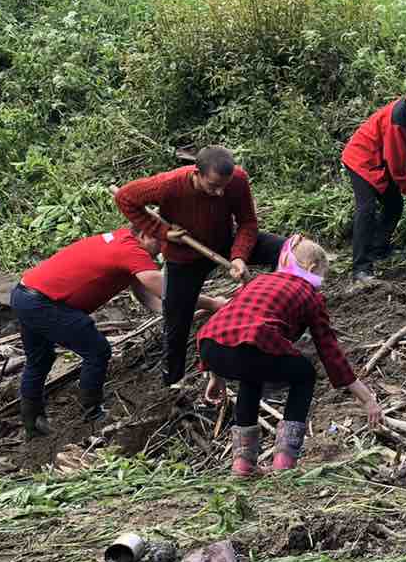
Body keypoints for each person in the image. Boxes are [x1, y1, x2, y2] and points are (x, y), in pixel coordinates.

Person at [195, 237, 383, 477]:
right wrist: (366, 399)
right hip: (254, 343)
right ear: (312, 268)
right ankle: (284, 462)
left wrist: (216, 376)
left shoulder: (259, 281)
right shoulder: (310, 295)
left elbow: (231, 323)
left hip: (210, 345)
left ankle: (243, 465)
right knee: (304, 375)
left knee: (252, 378)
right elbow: (329, 352)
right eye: (322, 275)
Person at [10, 226, 224, 435]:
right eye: (160, 242)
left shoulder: (123, 242)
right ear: (143, 234)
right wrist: (213, 303)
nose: (162, 249)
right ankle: (91, 415)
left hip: (24, 295)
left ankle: (33, 422)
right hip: (44, 303)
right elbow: (167, 290)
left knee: (40, 359)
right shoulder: (131, 251)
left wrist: (179, 315)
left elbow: (150, 297)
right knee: (97, 351)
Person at [114, 145, 287, 388]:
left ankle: (282, 319)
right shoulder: (168, 184)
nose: (219, 192)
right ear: (197, 173)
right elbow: (124, 197)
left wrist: (239, 256)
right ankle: (173, 382)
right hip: (184, 257)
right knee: (176, 322)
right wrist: (163, 233)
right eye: (213, 186)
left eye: (224, 186)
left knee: (285, 250)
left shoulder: (237, 180)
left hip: (224, 241)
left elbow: (247, 222)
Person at [341, 79, 406, 281]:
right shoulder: (397, 117)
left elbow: (404, 145)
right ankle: (361, 268)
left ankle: (378, 249)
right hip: (361, 159)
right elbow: (395, 160)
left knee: (393, 204)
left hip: (379, 160)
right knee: (366, 209)